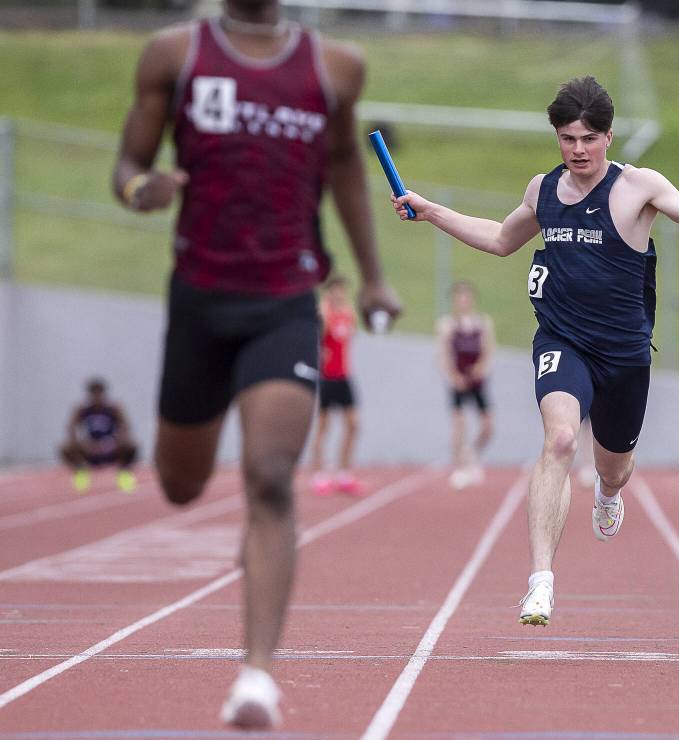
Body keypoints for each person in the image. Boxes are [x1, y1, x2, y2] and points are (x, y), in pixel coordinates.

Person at [111, 0, 401, 729]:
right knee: (180, 485)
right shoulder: (173, 55)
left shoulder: (334, 68)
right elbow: (129, 163)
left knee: (270, 475)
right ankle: (254, 671)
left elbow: (345, 172)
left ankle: (256, 679)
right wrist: (138, 191)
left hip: (284, 299)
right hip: (200, 301)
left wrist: (372, 275)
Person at [391, 76, 679, 626]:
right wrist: (432, 210)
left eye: (589, 138)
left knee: (615, 467)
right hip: (562, 341)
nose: (578, 150)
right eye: (567, 138)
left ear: (609, 136)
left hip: (624, 354)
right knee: (558, 440)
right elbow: (502, 239)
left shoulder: (638, 187)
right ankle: (540, 584)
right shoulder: (543, 190)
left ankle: (607, 492)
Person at [436, 280, 495, 489]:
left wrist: (480, 368)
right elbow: (443, 356)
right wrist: (453, 377)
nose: (463, 300)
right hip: (458, 380)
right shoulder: (447, 325)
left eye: (466, 296)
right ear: (454, 300)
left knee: (488, 426)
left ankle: (471, 457)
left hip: (478, 381)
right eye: (459, 297)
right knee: (459, 425)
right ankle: (460, 467)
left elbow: (489, 351)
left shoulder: (483, 323)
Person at [309, 274, 363, 495]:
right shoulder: (325, 313)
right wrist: (326, 314)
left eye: (342, 290)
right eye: (335, 290)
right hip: (326, 377)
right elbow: (318, 336)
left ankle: (344, 473)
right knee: (323, 426)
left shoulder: (348, 314)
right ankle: (320, 474)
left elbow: (351, 337)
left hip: (344, 376)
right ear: (329, 291)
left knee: (353, 425)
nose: (339, 294)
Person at [59, 377, 138, 494]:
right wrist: (80, 442)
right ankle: (81, 474)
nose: (97, 397)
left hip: (110, 445)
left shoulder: (113, 409)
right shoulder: (82, 409)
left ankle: (124, 474)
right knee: (65, 448)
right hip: (90, 447)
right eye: (93, 393)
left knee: (131, 445)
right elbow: (71, 428)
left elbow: (125, 427)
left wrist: (113, 442)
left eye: (99, 393)